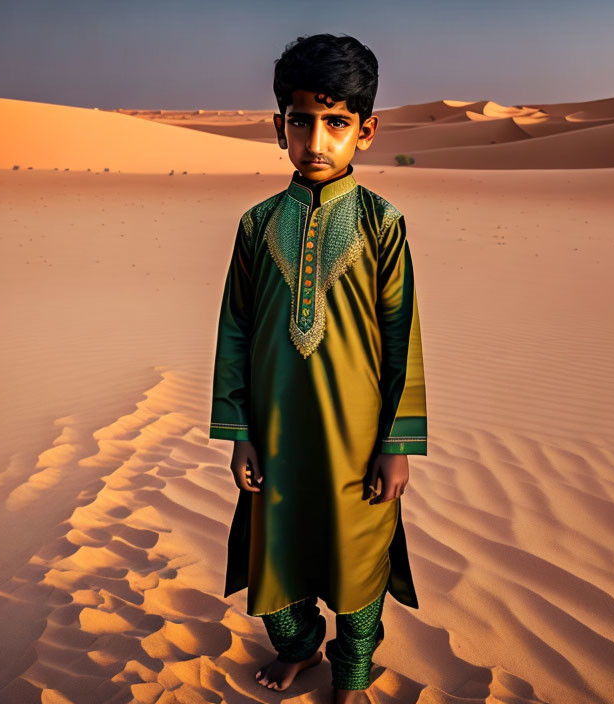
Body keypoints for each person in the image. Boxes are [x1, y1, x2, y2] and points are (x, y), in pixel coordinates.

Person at [209, 32, 427, 703]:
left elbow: (402, 338)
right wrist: (240, 429)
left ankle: (354, 672)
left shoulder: (382, 223)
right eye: (301, 121)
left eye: (336, 123)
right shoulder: (255, 225)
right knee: (275, 555)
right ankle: (300, 647)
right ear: (279, 128)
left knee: (358, 558)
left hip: (357, 440)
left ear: (366, 131)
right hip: (276, 437)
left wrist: (396, 443)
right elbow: (236, 330)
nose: (317, 140)